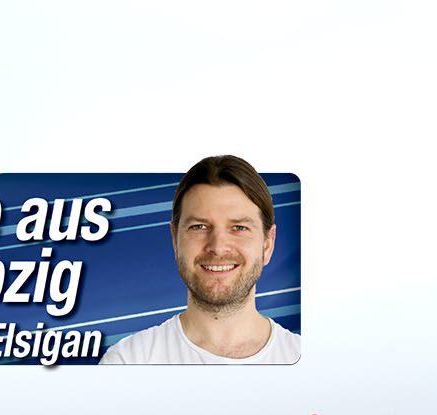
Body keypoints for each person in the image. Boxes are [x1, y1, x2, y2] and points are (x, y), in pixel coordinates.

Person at [99, 156, 301, 365]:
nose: (217, 246)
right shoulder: (129, 362)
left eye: (239, 228)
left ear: (268, 244)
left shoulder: (306, 360)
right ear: (175, 241)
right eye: (199, 227)